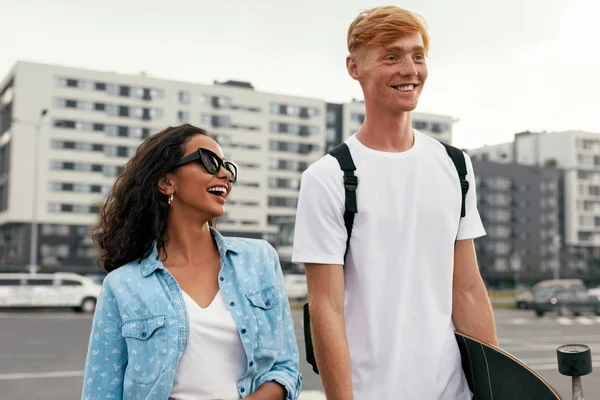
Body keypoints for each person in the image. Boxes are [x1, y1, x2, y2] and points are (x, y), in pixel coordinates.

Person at [292, 6, 497, 400]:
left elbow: (467, 289)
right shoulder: (329, 177)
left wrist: (495, 390)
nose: (410, 69)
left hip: (453, 392)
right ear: (354, 67)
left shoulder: (456, 166)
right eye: (392, 56)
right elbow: (326, 308)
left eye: (418, 55)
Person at [81, 124, 301, 400]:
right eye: (209, 162)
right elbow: (101, 392)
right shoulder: (123, 285)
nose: (224, 175)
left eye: (227, 167)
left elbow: (285, 369)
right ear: (166, 182)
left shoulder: (259, 259)